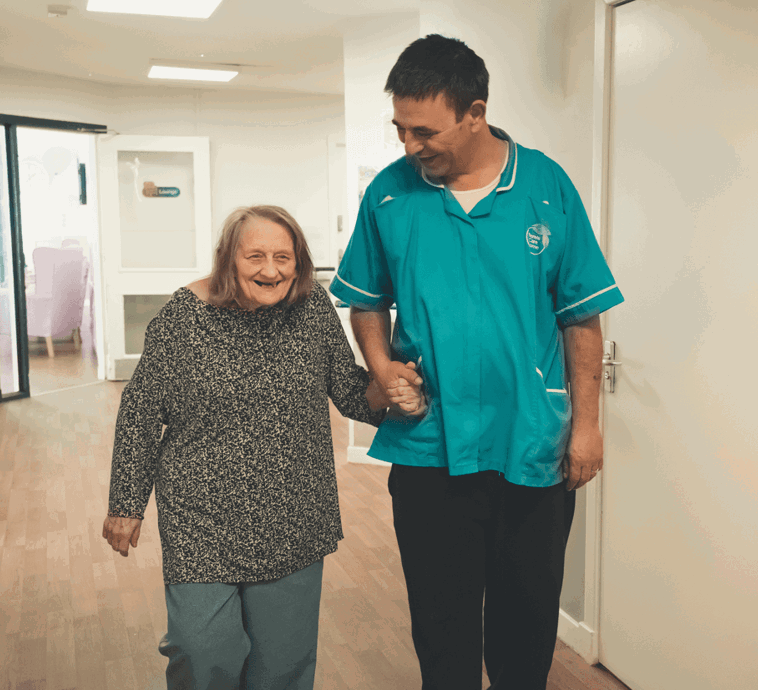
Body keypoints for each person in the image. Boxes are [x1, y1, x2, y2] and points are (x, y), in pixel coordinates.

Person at [330, 35, 624, 690]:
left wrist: (586, 425)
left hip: (531, 444)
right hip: (428, 448)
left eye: (424, 131)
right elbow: (367, 300)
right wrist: (379, 365)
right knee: (441, 627)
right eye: (401, 129)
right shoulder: (390, 195)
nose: (410, 146)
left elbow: (581, 315)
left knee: (526, 626)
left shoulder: (545, 187)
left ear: (474, 112)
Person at [102, 205, 424, 690]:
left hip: (293, 510)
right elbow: (141, 411)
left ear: (300, 262)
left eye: (283, 257)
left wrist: (391, 386)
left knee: (283, 664)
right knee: (202, 648)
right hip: (201, 513)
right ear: (228, 258)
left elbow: (353, 393)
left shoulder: (312, 306)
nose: (270, 270)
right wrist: (126, 504)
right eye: (255, 256)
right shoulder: (183, 317)